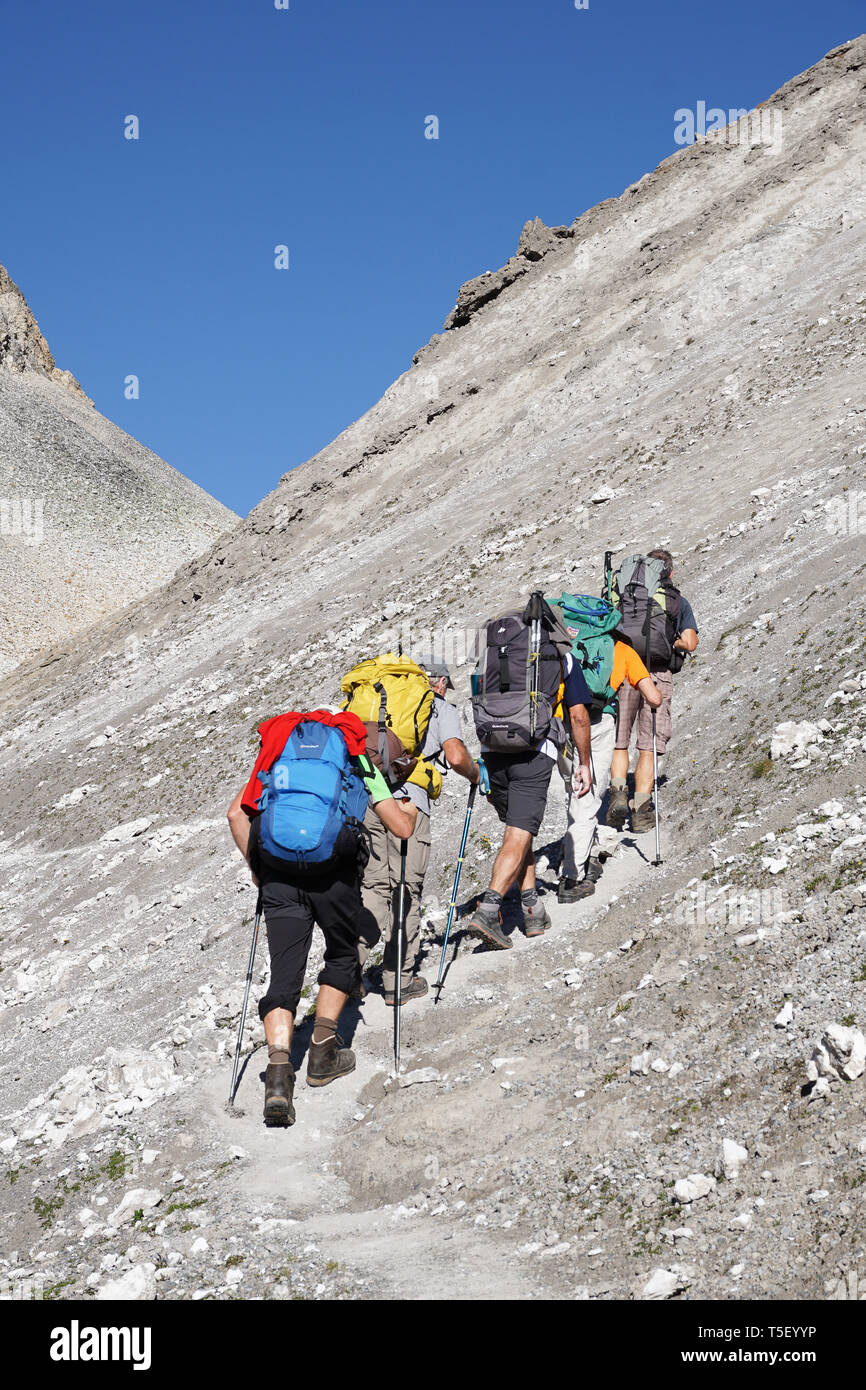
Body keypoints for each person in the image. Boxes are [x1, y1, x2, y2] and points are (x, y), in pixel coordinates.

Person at [227, 708, 414, 1127]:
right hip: (333, 877)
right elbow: (400, 828)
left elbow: (236, 814)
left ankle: (278, 1075)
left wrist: (258, 871)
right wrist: (410, 813)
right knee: (343, 955)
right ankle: (323, 1051)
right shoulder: (356, 757)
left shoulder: (278, 755)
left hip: (278, 877)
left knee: (283, 976)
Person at [357, 656, 481, 1006]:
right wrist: (475, 775)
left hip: (369, 802)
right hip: (408, 808)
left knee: (373, 886)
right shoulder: (438, 707)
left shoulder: (376, 704)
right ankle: (399, 981)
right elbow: (455, 756)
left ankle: (348, 971)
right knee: (405, 890)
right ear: (439, 682)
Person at [466, 650, 593, 949]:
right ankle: (488, 910)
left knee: (518, 832)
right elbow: (577, 714)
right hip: (534, 751)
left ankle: (531, 909)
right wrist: (583, 762)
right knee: (518, 833)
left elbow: (477, 700)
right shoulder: (561, 656)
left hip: (493, 749)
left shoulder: (492, 655)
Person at [558, 640, 662, 900]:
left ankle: (584, 850)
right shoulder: (621, 650)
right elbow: (653, 697)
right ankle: (572, 876)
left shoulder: (567, 647)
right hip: (597, 723)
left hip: (560, 725)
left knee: (573, 794)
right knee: (587, 798)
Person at [608, 549, 699, 833]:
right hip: (657, 673)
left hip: (623, 672)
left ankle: (618, 793)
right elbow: (691, 642)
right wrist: (672, 641)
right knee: (648, 745)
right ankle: (642, 809)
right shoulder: (675, 601)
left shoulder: (623, 596)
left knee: (619, 740)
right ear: (668, 573)